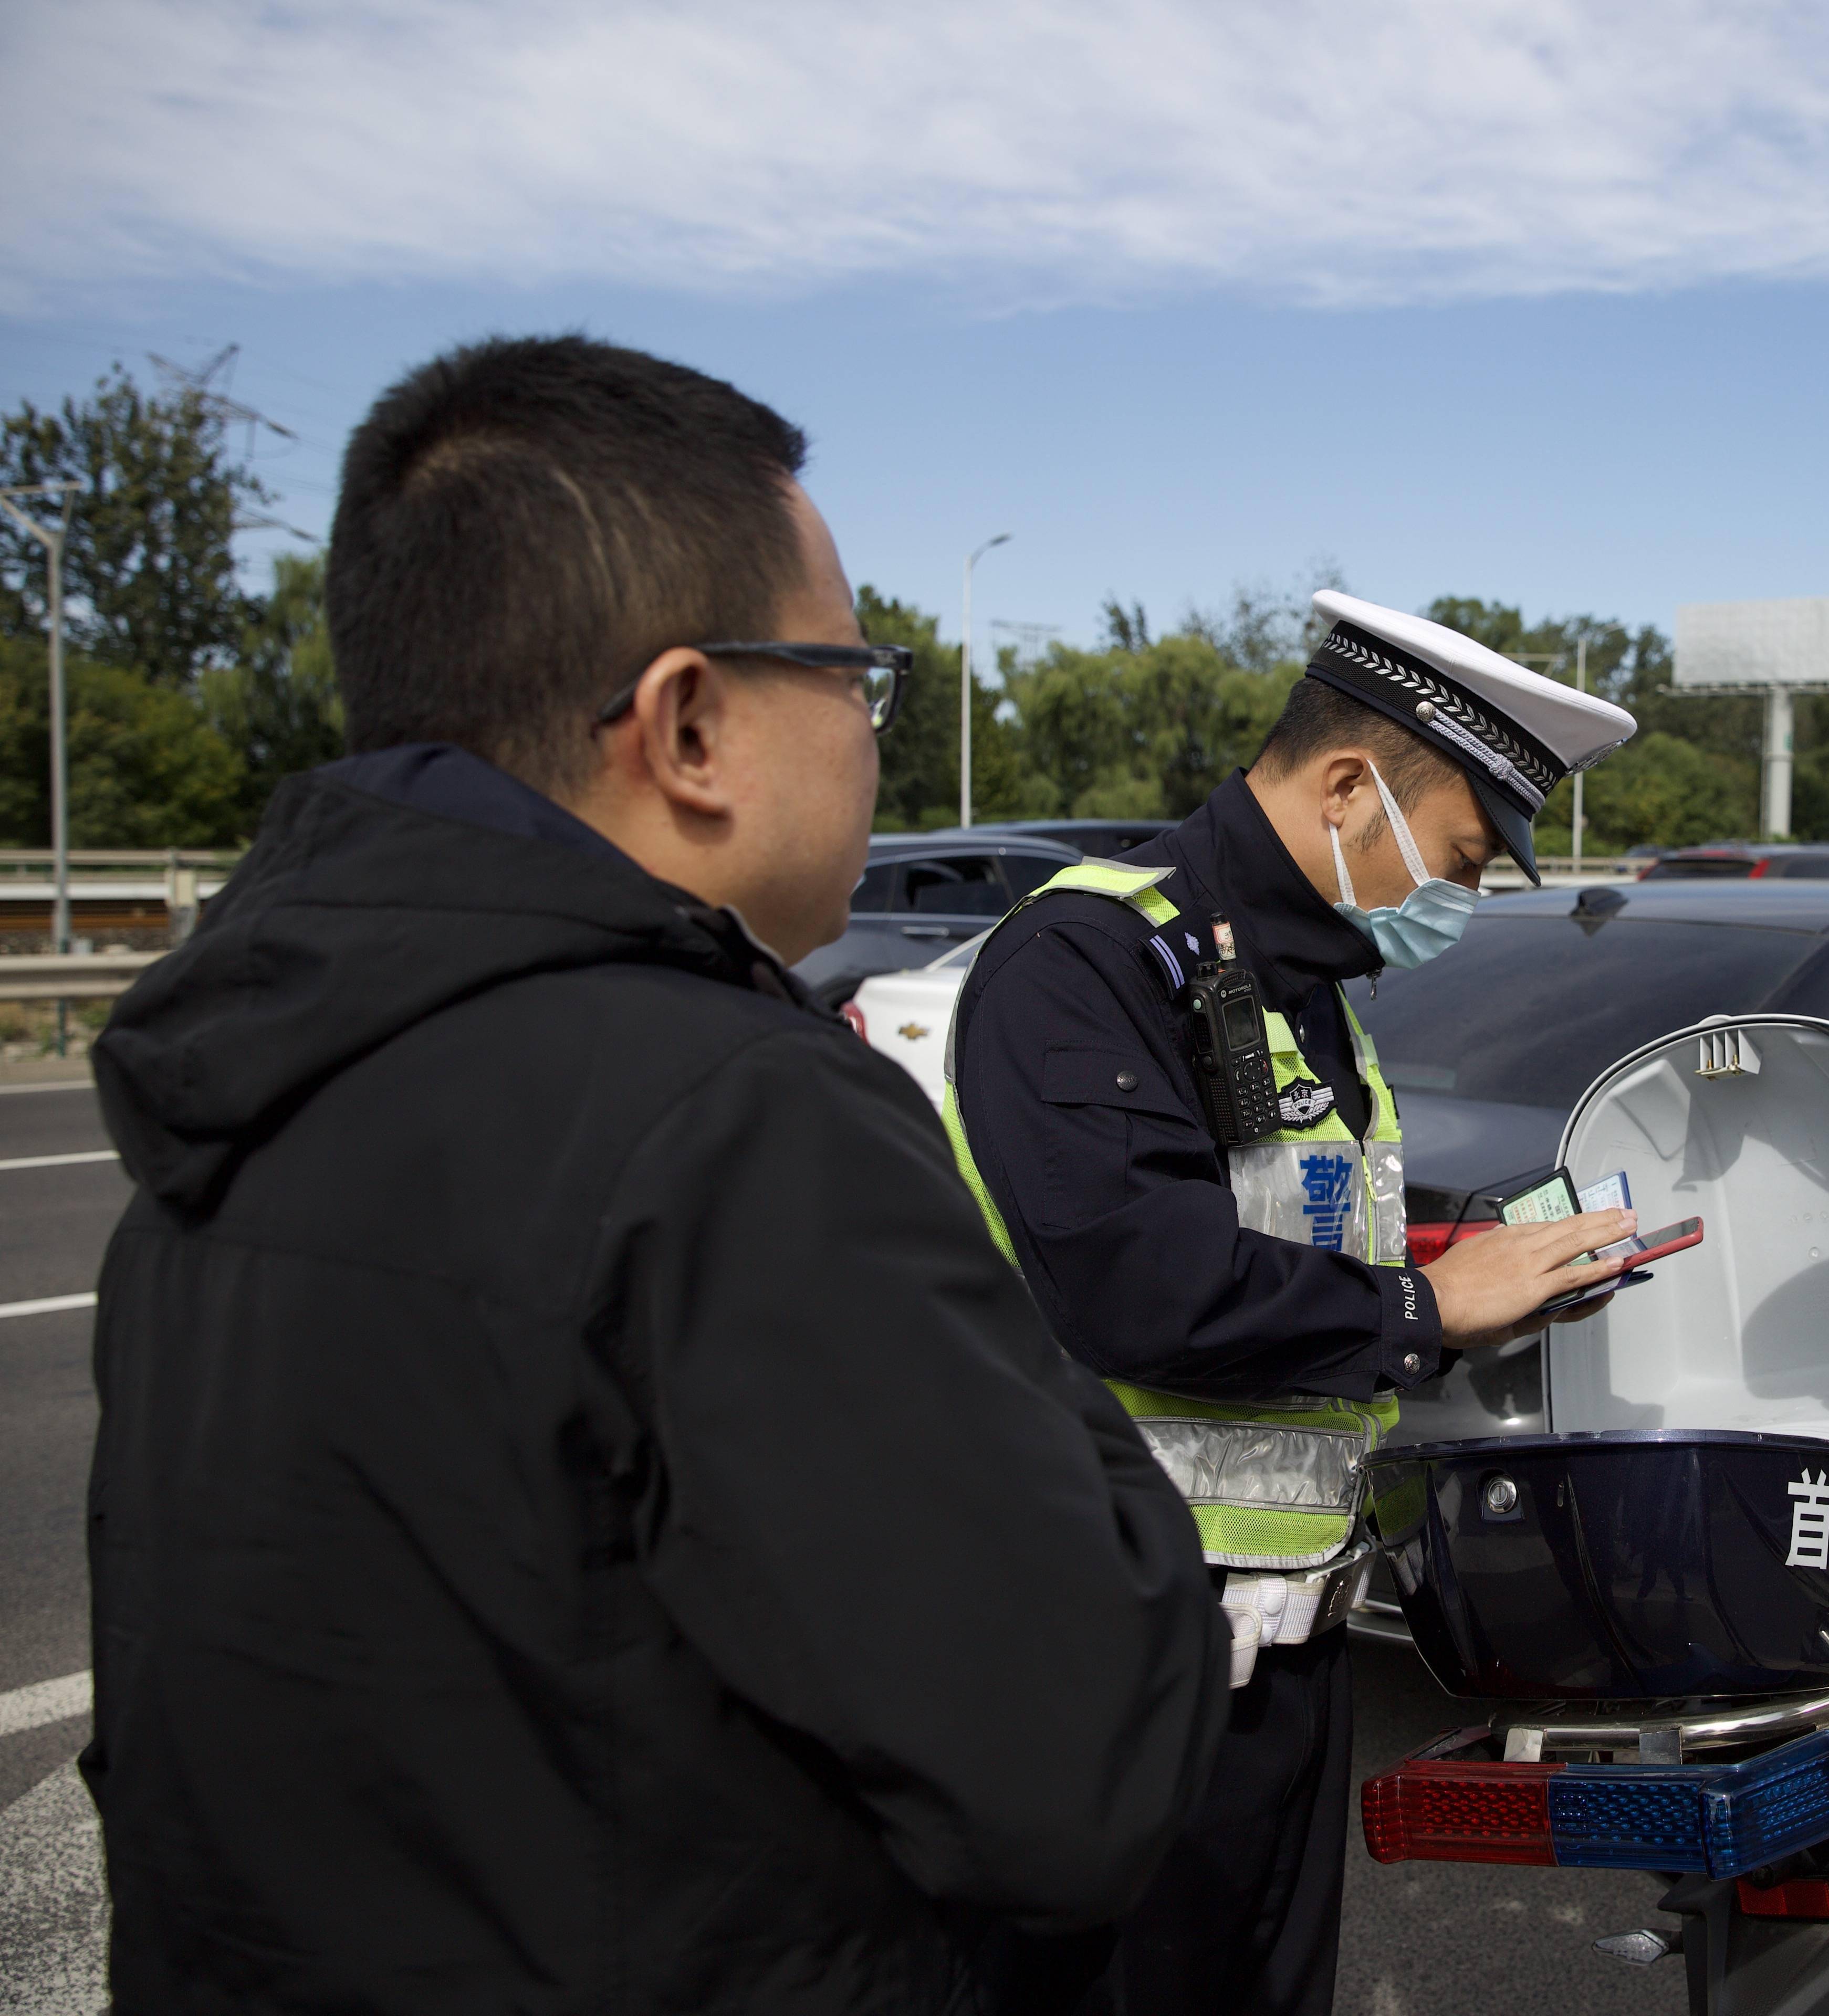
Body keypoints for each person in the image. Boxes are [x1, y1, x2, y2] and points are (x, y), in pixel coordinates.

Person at [82, 335, 1225, 2011]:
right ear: (690, 723)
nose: (872, 736)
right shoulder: (733, 1120)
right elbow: (1085, 1765)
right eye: (855, 676)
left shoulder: (234, 1085)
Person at [944, 591, 1638, 2015]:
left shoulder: (1304, 988)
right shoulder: (1088, 961)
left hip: (1285, 1650)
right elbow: (1140, 1283)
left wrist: (1493, 1284)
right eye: (1460, 857)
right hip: (1108, 1655)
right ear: (1347, 787)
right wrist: (1426, 1309)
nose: (1462, 898)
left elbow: (1308, 1251)